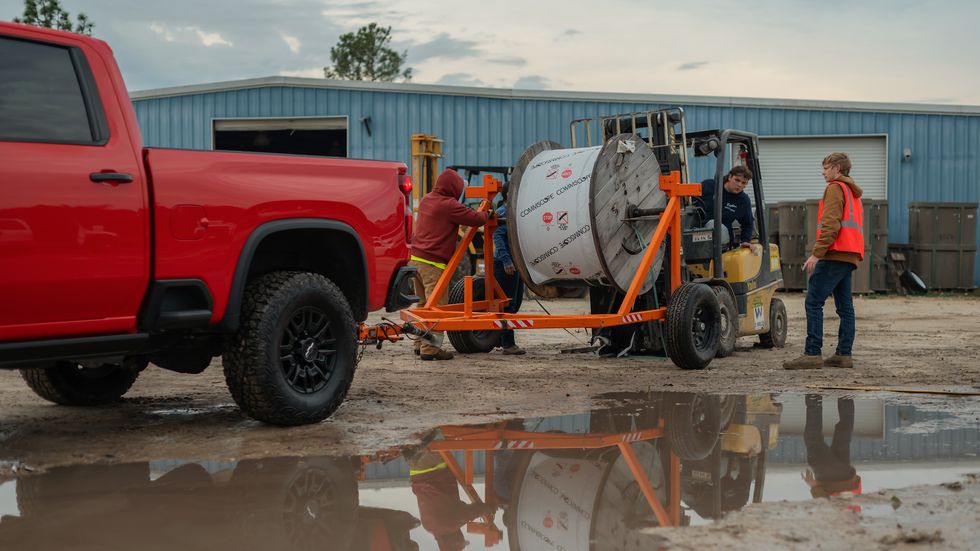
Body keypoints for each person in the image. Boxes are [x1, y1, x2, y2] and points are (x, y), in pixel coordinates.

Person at [784, 152, 863, 370]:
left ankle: (812, 354)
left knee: (813, 301)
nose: (823, 171)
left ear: (837, 168)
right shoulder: (852, 191)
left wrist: (817, 253)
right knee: (845, 307)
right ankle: (843, 355)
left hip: (835, 253)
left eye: (826, 167)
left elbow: (830, 225)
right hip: (849, 255)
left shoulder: (835, 188)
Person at [411, 169, 490, 361]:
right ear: (453, 188)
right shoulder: (449, 205)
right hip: (432, 263)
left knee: (423, 305)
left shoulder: (427, 199)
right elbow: (476, 219)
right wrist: (486, 209)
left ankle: (419, 343)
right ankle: (430, 349)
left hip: (415, 260)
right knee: (438, 307)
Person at [800, 394, 861, 499]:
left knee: (843, 433)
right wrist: (814, 486)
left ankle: (845, 396)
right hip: (827, 477)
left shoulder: (855, 512)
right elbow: (825, 502)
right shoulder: (835, 514)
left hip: (847, 476)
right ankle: (814, 397)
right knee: (813, 440)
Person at [492, 183, 526, 355]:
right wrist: (506, 261)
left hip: (515, 263)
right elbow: (497, 238)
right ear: (507, 196)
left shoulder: (514, 213)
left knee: (516, 301)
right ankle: (508, 344)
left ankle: (500, 337)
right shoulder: (502, 214)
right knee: (508, 305)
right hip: (506, 265)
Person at [698, 166, 755, 248]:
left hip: (721, 238)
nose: (739, 185)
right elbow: (689, 204)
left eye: (743, 183)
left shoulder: (743, 201)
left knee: (714, 224)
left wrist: (745, 240)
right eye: (737, 180)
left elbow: (748, 223)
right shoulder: (708, 186)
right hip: (697, 231)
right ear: (730, 177)